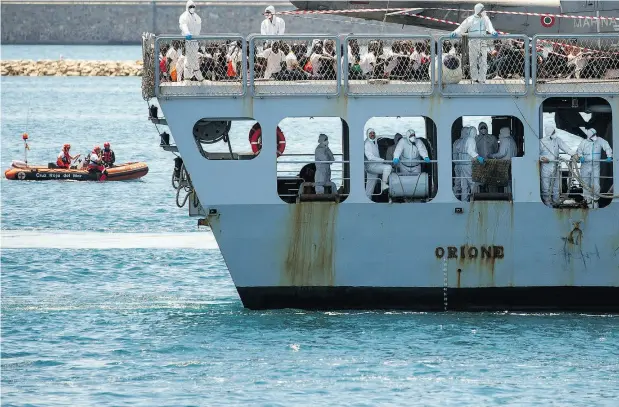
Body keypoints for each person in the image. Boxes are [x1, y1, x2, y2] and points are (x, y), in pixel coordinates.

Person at [450, 3, 498, 83]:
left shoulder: (485, 18)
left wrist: (493, 31)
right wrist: (455, 32)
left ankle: (482, 79)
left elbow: (489, 26)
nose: (484, 11)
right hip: (473, 43)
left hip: (482, 42)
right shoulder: (470, 19)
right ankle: (474, 78)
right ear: (478, 10)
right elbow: (462, 27)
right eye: (482, 10)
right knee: (473, 61)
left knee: (483, 62)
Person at [576, 128, 613, 208]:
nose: (594, 136)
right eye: (593, 135)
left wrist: (609, 156)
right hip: (585, 165)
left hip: (595, 165)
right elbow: (579, 151)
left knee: (596, 183)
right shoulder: (584, 143)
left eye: (595, 134)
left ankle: (595, 200)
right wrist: (581, 156)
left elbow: (607, 147)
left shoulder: (600, 140)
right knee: (585, 183)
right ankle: (587, 201)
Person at [539, 125, 576, 206]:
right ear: (550, 133)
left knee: (556, 186)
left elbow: (566, 148)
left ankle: (556, 202)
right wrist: (542, 158)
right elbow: (536, 154)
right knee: (545, 186)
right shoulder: (541, 142)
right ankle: (547, 203)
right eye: (553, 132)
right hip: (546, 166)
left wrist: (574, 154)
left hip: (555, 165)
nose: (555, 133)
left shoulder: (557, 140)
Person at [179, 0, 203, 82]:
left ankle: (197, 76)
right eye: (190, 7)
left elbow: (199, 24)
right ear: (187, 7)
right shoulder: (184, 16)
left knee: (194, 58)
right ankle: (187, 78)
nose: (192, 8)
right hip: (188, 41)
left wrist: (197, 37)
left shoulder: (196, 16)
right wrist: (187, 33)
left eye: (193, 7)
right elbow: (183, 25)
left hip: (195, 41)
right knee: (188, 59)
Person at [364, 128, 392, 198]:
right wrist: (383, 160)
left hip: (376, 165)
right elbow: (370, 157)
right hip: (372, 167)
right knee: (388, 167)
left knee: (370, 187)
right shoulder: (367, 143)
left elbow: (379, 137)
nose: (372, 134)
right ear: (367, 134)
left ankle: (366, 200)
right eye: (370, 133)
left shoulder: (374, 141)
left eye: (373, 133)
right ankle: (384, 184)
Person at [460, 126, 483, 202]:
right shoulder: (471, 139)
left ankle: (464, 200)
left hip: (462, 164)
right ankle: (474, 199)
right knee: (473, 182)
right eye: (475, 132)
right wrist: (478, 157)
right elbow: (470, 151)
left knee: (464, 185)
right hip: (468, 164)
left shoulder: (464, 139)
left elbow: (457, 148)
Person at [452, 127, 467, 200]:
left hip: (457, 165)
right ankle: (465, 200)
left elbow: (454, 155)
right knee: (465, 184)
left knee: (457, 183)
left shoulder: (456, 142)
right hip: (464, 165)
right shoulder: (466, 142)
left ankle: (455, 198)